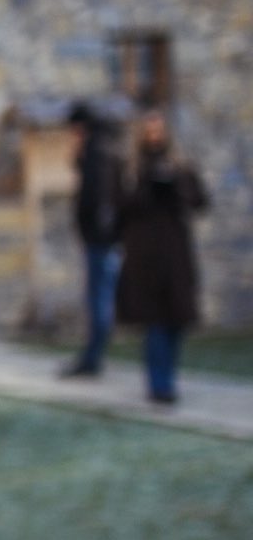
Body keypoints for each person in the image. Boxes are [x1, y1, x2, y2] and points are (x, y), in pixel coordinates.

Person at [115, 108, 208, 405]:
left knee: (175, 319)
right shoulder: (131, 170)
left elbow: (200, 201)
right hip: (144, 255)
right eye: (149, 130)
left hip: (175, 253)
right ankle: (159, 385)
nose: (155, 136)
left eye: (159, 130)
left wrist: (174, 189)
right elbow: (121, 209)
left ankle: (168, 378)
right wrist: (146, 190)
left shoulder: (180, 167)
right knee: (154, 321)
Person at [60, 102, 124, 378]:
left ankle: (93, 357)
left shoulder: (97, 153)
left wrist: (97, 229)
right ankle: (92, 354)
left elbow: (97, 199)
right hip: (101, 238)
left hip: (101, 240)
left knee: (99, 298)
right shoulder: (102, 149)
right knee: (99, 297)